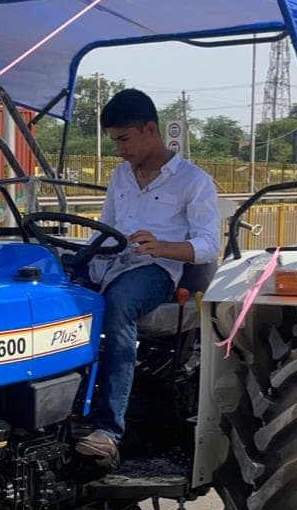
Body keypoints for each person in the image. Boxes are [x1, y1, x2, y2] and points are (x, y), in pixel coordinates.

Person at [75, 88, 221, 468]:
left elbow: (207, 245)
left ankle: (108, 431)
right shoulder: (120, 176)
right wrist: (78, 256)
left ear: (150, 130)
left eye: (124, 139)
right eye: (114, 141)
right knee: (50, 288)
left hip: (155, 271)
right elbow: (104, 228)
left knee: (119, 306)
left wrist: (162, 247)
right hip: (111, 262)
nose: (119, 149)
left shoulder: (193, 180)